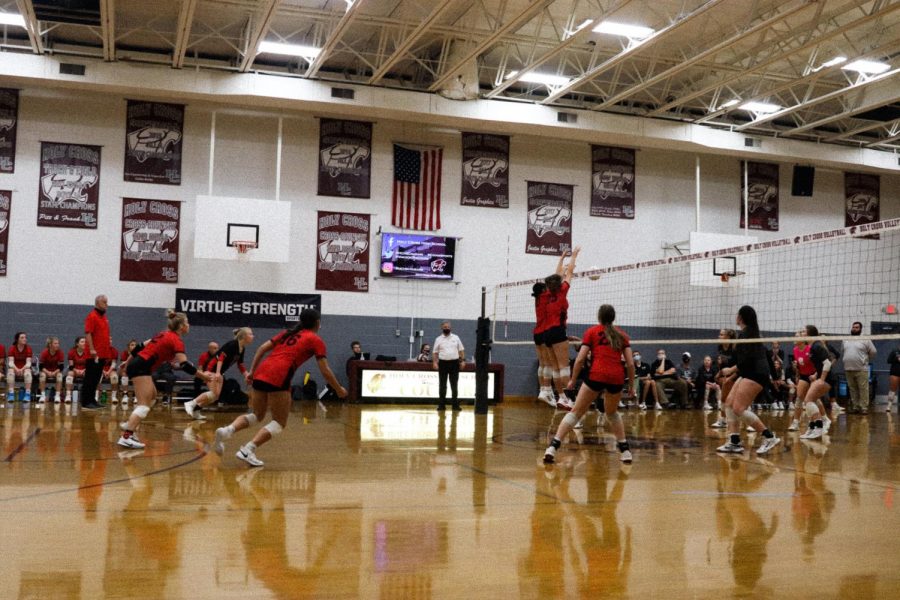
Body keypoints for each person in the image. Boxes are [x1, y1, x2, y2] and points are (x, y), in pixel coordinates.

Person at [214, 308, 347, 467]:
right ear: (318, 323)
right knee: (279, 422)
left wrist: (252, 372)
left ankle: (227, 430)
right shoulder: (315, 339)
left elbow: (261, 349)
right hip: (279, 375)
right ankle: (247, 450)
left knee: (257, 414)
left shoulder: (288, 332)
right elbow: (325, 370)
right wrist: (339, 389)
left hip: (262, 370)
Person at [544, 304, 635, 464]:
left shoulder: (592, 332)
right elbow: (630, 364)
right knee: (612, 413)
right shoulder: (623, 335)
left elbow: (580, 359)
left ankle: (552, 447)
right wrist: (632, 387)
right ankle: (625, 451)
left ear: (599, 317)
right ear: (613, 318)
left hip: (597, 375)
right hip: (616, 378)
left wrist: (572, 380)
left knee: (576, 412)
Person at [118, 310, 211, 449]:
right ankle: (127, 435)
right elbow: (184, 364)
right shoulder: (176, 340)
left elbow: (139, 347)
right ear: (181, 326)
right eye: (187, 322)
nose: (189, 325)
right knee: (144, 404)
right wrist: (203, 376)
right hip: (140, 367)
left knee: (153, 397)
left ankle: (131, 423)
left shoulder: (163, 334)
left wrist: (127, 362)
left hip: (140, 365)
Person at [716, 305, 781, 455]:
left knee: (738, 408)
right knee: (729, 404)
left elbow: (745, 361)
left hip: (756, 374)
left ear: (741, 317)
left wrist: (730, 370)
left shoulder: (747, 335)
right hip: (749, 373)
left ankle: (769, 437)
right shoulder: (748, 333)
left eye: (737, 314)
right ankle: (734, 441)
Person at [541, 247, 581, 411]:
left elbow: (557, 275)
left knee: (556, 368)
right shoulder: (562, 291)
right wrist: (574, 256)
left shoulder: (547, 293)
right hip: (558, 331)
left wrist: (562, 258)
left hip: (546, 334)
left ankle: (562, 397)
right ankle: (571, 399)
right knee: (564, 368)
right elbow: (569, 272)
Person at [184, 327, 254, 420]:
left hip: (219, 371)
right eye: (250, 334)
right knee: (213, 394)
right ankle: (191, 403)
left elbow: (240, 364)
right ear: (244, 336)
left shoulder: (242, 348)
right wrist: (217, 373)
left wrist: (246, 375)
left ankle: (196, 410)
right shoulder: (232, 344)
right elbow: (220, 357)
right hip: (212, 369)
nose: (253, 336)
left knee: (215, 397)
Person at [788, 329, 831, 434]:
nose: (794, 338)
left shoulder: (810, 348)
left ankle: (825, 419)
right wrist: (796, 371)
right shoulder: (795, 350)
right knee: (799, 399)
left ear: (802, 340)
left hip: (813, 375)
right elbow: (799, 366)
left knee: (814, 400)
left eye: (797, 336)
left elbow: (818, 364)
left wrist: (816, 375)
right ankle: (795, 422)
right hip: (803, 375)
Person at [797, 326, 836, 440]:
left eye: (803, 331)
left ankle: (819, 427)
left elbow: (827, 363)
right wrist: (816, 375)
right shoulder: (812, 346)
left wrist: (822, 379)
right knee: (809, 402)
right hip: (822, 377)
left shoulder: (817, 345)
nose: (801, 333)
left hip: (827, 379)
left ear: (810, 333)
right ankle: (812, 427)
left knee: (808, 401)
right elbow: (820, 365)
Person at [82, 294, 113, 410]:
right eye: (104, 302)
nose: (107, 304)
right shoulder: (92, 316)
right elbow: (88, 333)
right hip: (93, 354)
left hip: (102, 354)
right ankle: (85, 402)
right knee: (90, 378)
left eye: (107, 302)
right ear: (98, 303)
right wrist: (91, 349)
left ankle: (92, 400)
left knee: (96, 378)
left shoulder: (104, 317)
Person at [842, 321, 876, 414]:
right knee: (852, 389)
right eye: (853, 327)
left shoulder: (865, 339)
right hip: (848, 368)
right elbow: (843, 351)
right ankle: (855, 407)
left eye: (857, 327)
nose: (854, 329)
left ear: (860, 329)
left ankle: (864, 407)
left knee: (863, 389)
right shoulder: (846, 339)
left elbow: (873, 351)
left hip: (861, 369)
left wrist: (865, 359)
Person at [432, 321, 466, 411]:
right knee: (442, 385)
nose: (446, 328)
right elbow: (435, 352)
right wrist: (435, 363)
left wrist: (462, 361)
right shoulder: (438, 339)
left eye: (448, 327)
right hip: (443, 364)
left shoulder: (456, 338)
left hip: (454, 364)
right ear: (442, 328)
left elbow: (461, 350)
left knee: (454, 385)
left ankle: (455, 406)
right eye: (445, 327)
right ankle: (441, 405)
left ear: (451, 328)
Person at [532, 280, 555, 407]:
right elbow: (555, 285)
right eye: (545, 288)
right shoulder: (544, 296)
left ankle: (543, 390)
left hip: (537, 333)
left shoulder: (537, 300)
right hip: (545, 332)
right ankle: (546, 390)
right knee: (548, 363)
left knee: (542, 363)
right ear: (542, 290)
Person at [711, 329, 737, 428]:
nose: (719, 336)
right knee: (724, 399)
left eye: (721, 335)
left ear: (728, 337)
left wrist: (730, 378)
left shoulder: (735, 348)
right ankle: (723, 420)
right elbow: (724, 364)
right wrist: (719, 373)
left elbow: (739, 366)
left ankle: (751, 422)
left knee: (737, 401)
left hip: (738, 374)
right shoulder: (720, 347)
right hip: (728, 376)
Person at [6, 332, 33, 403]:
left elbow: (28, 363)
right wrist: (17, 369)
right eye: (22, 337)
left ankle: (27, 394)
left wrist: (21, 369)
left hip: (24, 368)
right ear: (17, 339)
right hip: (15, 368)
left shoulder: (28, 348)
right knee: (10, 371)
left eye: (25, 337)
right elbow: (11, 362)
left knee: (28, 372)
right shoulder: (12, 348)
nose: (25, 339)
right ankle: (11, 394)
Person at [38, 336, 65, 403]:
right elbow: (41, 366)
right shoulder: (44, 353)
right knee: (42, 376)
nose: (57, 345)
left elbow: (61, 367)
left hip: (56, 371)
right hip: (46, 371)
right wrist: (47, 372)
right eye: (55, 343)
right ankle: (43, 395)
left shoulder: (60, 353)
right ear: (50, 345)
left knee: (59, 376)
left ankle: (57, 396)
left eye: (58, 343)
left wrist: (54, 372)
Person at [65, 336, 89, 404]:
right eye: (82, 342)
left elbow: (89, 365)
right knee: (70, 374)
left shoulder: (88, 352)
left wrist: (83, 370)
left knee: (89, 375)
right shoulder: (71, 352)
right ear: (77, 344)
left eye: (85, 342)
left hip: (84, 370)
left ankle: (86, 395)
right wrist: (76, 370)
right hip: (74, 370)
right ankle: (68, 395)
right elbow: (71, 366)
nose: (84, 343)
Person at [118, 340, 138, 405]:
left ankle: (136, 394)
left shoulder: (139, 353)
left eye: (135, 345)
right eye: (132, 345)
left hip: (134, 370)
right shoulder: (125, 353)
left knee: (137, 375)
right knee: (124, 374)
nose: (134, 346)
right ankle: (125, 394)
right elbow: (122, 365)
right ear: (129, 346)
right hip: (125, 370)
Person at [888, 343, 900, 412]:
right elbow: (888, 360)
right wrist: (896, 359)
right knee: (892, 390)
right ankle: (889, 406)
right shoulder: (894, 351)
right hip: (895, 373)